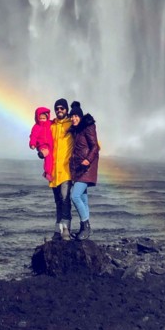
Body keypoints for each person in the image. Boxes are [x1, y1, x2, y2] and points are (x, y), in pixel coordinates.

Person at [68, 100, 99, 240]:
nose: (73, 118)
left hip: (86, 167)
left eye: (76, 116)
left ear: (80, 117)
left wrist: (88, 160)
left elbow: (95, 147)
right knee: (83, 199)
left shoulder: (88, 127)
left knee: (75, 196)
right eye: (72, 116)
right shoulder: (77, 130)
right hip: (79, 168)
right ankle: (85, 229)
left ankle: (85, 225)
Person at [49, 97, 73, 241]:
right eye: (57, 108)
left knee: (65, 200)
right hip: (53, 171)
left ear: (66, 110)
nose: (59, 110)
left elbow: (86, 138)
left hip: (66, 171)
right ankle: (57, 230)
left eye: (62, 108)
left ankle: (66, 230)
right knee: (58, 201)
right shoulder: (52, 126)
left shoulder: (72, 124)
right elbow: (44, 141)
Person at [28, 107, 54, 182]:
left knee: (51, 158)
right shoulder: (36, 127)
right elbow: (33, 136)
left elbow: (56, 122)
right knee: (48, 157)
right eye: (41, 118)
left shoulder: (50, 123)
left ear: (47, 117)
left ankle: (50, 172)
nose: (42, 120)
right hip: (42, 145)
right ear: (37, 118)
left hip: (50, 145)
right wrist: (32, 144)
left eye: (44, 118)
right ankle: (47, 173)